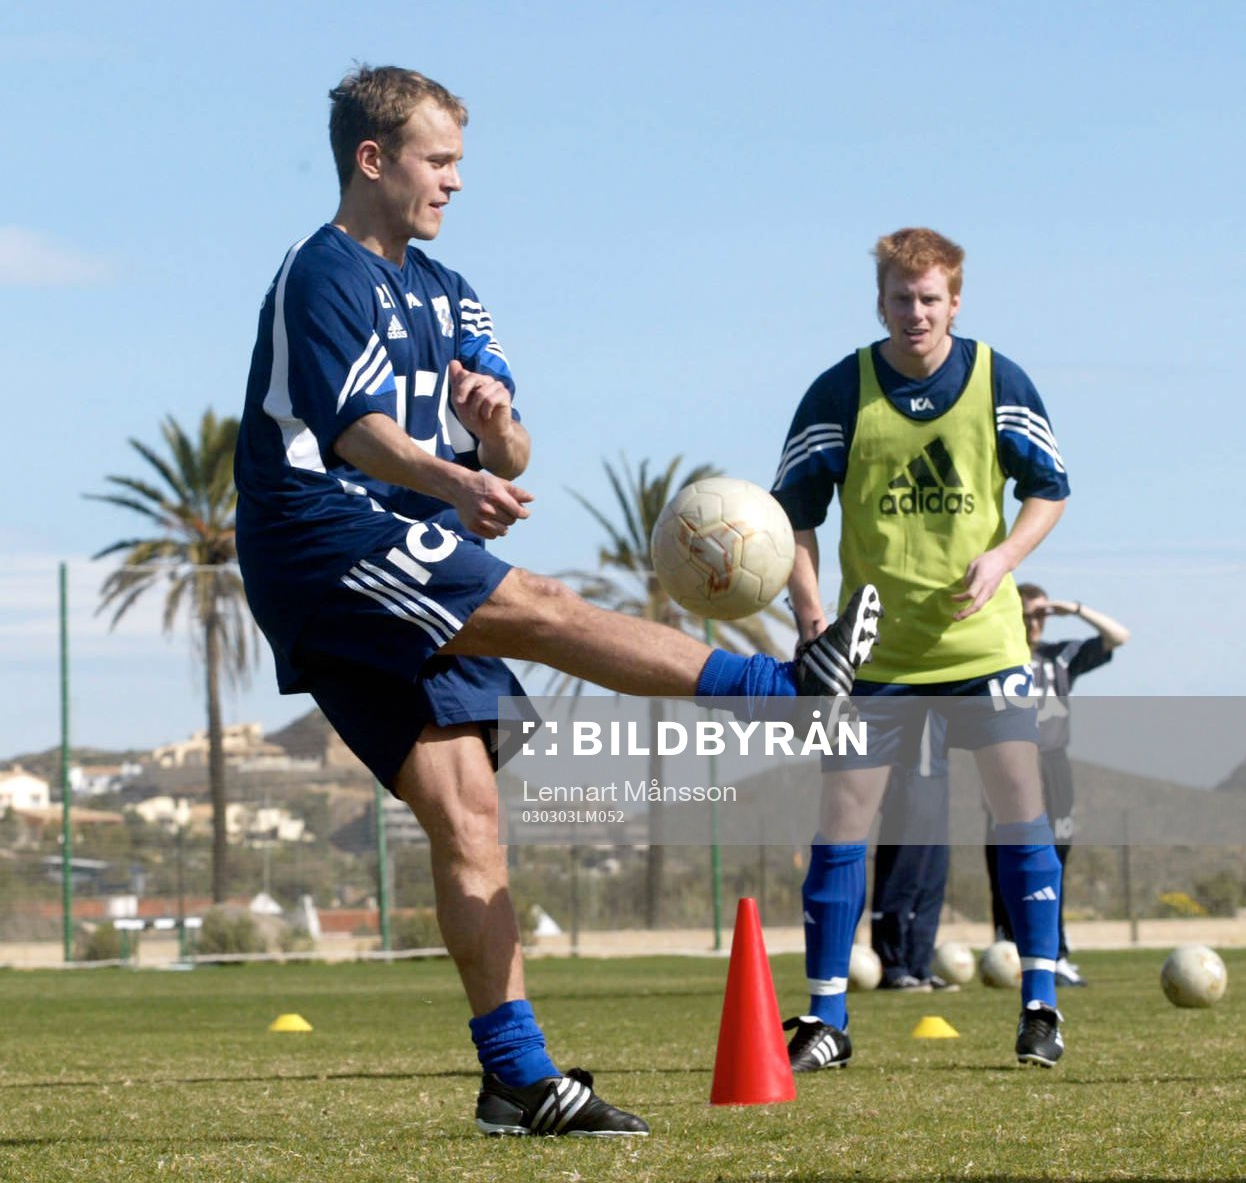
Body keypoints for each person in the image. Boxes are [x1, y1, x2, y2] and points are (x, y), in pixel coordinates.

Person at [233, 65, 882, 1138]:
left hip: (394, 546)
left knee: (469, 813)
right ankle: (784, 684)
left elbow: (519, 439)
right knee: (539, 600)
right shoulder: (321, 274)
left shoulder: (449, 290)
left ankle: (516, 1079)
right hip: (325, 538)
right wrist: (456, 480)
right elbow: (353, 434)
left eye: (457, 162)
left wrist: (493, 433)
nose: (453, 182)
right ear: (373, 159)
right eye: (438, 160)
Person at [771, 227, 1071, 1069]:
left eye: (930, 298)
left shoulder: (997, 379)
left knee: (1020, 813)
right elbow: (792, 513)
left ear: (956, 301)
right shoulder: (840, 391)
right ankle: (827, 1021)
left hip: (985, 647)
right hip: (874, 656)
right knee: (842, 825)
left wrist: (1005, 557)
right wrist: (812, 618)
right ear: (881, 302)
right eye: (901, 298)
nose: (915, 312)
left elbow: (1049, 488)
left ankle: (1041, 1004)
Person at [985, 584, 1131, 986]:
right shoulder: (994, 657)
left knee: (1055, 859)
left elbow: (1119, 636)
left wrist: (1074, 607)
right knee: (1005, 856)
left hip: (1054, 766)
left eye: (1041, 615)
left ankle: (1056, 951)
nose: (1034, 622)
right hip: (1007, 765)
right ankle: (1008, 946)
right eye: (1027, 614)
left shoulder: (1059, 656)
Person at [869, 714, 953, 991]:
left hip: (938, 776)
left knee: (933, 877)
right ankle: (892, 965)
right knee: (902, 875)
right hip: (906, 778)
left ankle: (920, 965)